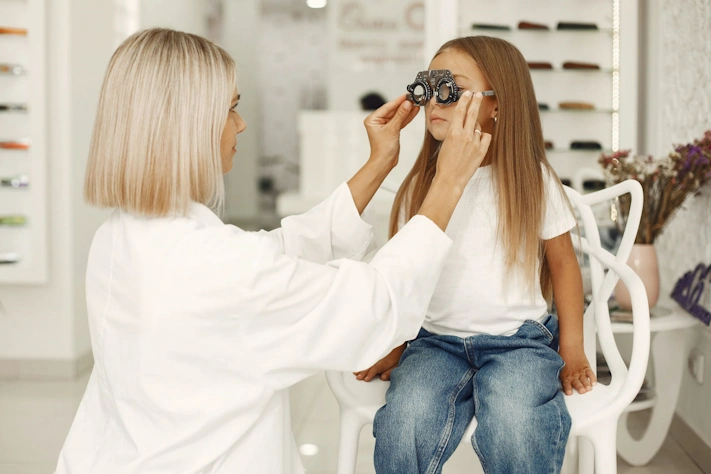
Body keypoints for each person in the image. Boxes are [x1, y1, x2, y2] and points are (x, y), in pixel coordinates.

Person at [53, 29, 493, 474]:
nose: (240, 124)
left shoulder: (125, 233)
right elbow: (375, 305)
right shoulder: (216, 267)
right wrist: (450, 182)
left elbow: (280, 251)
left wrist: (380, 163)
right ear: (187, 124)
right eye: (231, 109)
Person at [355, 36, 596, 474]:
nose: (434, 102)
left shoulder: (532, 180)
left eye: (451, 89)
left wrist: (573, 348)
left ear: (497, 104)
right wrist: (396, 342)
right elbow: (411, 273)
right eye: (428, 88)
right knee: (404, 422)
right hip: (435, 342)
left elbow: (564, 265)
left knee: (517, 425)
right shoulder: (425, 184)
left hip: (517, 343)